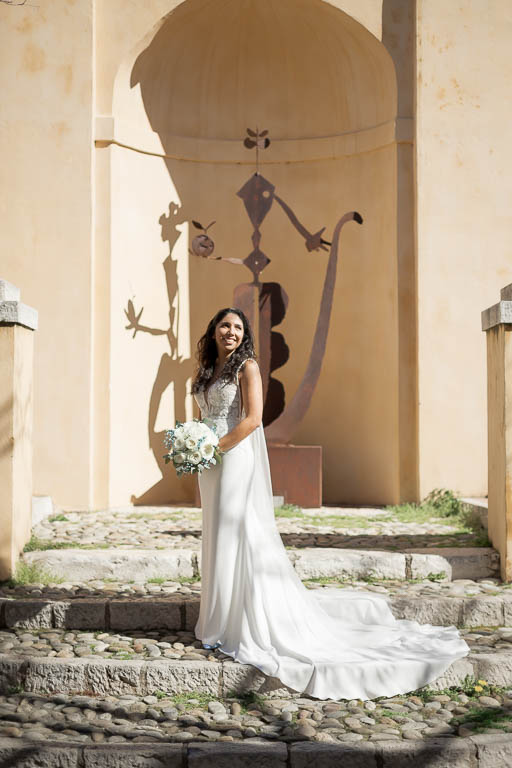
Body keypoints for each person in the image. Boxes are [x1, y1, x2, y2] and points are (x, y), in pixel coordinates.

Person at [192, 307, 469, 700]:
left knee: (235, 533)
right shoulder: (204, 371)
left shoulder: (247, 367)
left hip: (233, 458)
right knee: (215, 535)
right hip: (210, 463)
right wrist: (194, 447)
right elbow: (202, 415)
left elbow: (253, 419)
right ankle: (216, 619)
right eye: (224, 325)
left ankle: (237, 624)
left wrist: (215, 448)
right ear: (213, 330)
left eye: (237, 327)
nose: (230, 332)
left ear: (244, 334)